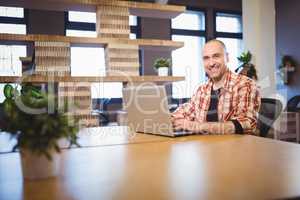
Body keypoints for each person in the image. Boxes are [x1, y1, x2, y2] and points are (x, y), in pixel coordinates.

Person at [171, 39, 261, 135]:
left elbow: (246, 124)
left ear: (227, 57)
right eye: (206, 58)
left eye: (216, 56)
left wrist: (194, 126)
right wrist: (167, 119)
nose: (211, 63)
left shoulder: (245, 84)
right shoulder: (202, 90)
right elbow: (184, 112)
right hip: (204, 147)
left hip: (235, 148)